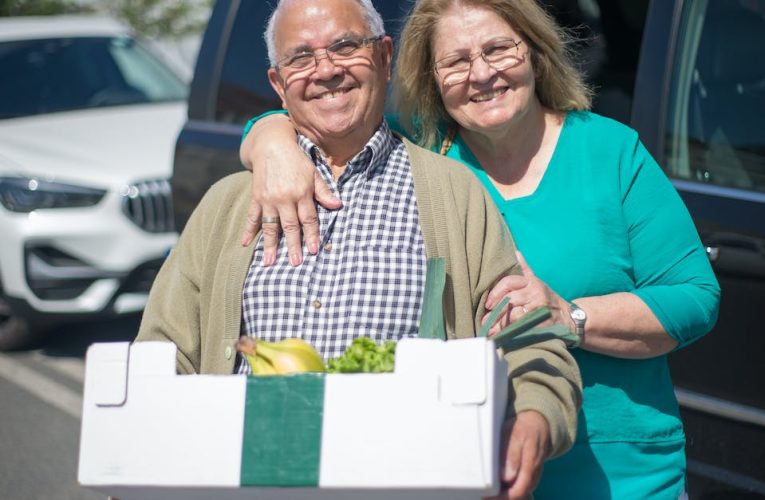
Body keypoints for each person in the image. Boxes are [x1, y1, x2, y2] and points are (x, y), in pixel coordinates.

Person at [237, 0, 721, 498]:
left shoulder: (610, 152)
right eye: (456, 61)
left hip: (618, 469)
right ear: (431, 78)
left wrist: (570, 315)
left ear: (534, 52)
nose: (482, 74)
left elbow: (695, 296)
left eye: (498, 49)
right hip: (469, 467)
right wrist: (270, 141)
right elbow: (323, 108)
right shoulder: (418, 155)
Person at [136, 1, 582, 499]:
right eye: (301, 58)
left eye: (346, 46)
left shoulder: (453, 194)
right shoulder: (227, 205)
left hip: (407, 482)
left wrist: (535, 416)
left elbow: (526, 336)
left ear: (386, 56)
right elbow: (161, 352)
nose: (326, 70)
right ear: (279, 85)